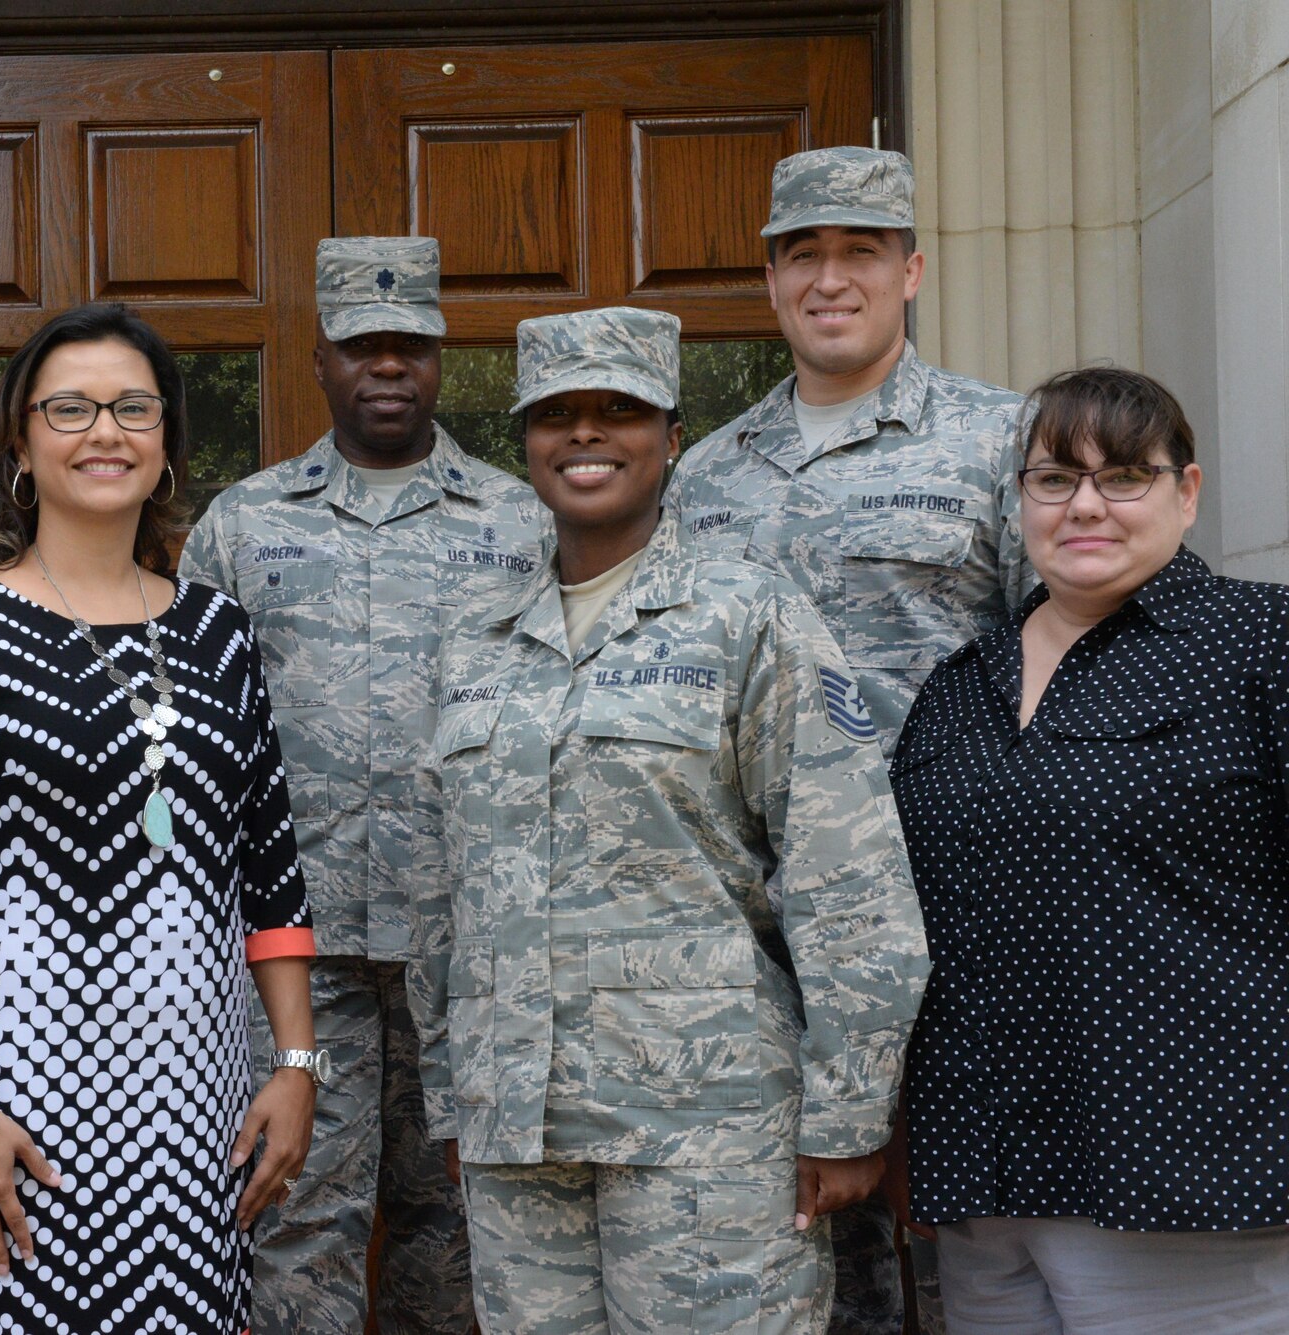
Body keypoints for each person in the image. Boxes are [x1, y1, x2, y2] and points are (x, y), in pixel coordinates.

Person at [414, 306, 930, 1335]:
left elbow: (845, 869)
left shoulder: (747, 614)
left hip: (708, 1129)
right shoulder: (474, 644)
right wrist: (451, 1091)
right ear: (524, 445)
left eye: (620, 412)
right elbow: (444, 890)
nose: (586, 435)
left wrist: (847, 1109)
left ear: (672, 439)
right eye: (557, 415)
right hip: (518, 1125)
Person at [0, 301, 320, 1334]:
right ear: (20, 444)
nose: (103, 432)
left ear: (164, 448)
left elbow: (271, 865)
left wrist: (293, 1066)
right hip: (14, 1103)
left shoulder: (218, 632)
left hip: (193, 1103)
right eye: (68, 409)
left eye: (131, 409)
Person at [663, 146, 1028, 1335]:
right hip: (765, 932)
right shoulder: (703, 476)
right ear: (769, 283)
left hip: (956, 905)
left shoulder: (998, 440)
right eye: (800, 255)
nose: (829, 279)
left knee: (968, 1244)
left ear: (909, 269)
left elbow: (1061, 653)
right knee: (808, 1243)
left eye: (858, 251)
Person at [181, 236, 548, 1334]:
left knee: (461, 1213)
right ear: (321, 363)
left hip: (468, 934)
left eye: (409, 347)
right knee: (295, 1206)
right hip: (299, 942)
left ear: (440, 360)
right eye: (360, 347)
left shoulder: (519, 520)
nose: (386, 368)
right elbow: (198, 735)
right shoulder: (243, 525)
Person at [887, 366, 1289, 1333]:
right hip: (984, 1179)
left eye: (1125, 477)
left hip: (1190, 1176)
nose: (1086, 506)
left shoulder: (1261, 645)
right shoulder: (962, 683)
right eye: (1056, 479)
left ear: (1185, 493)